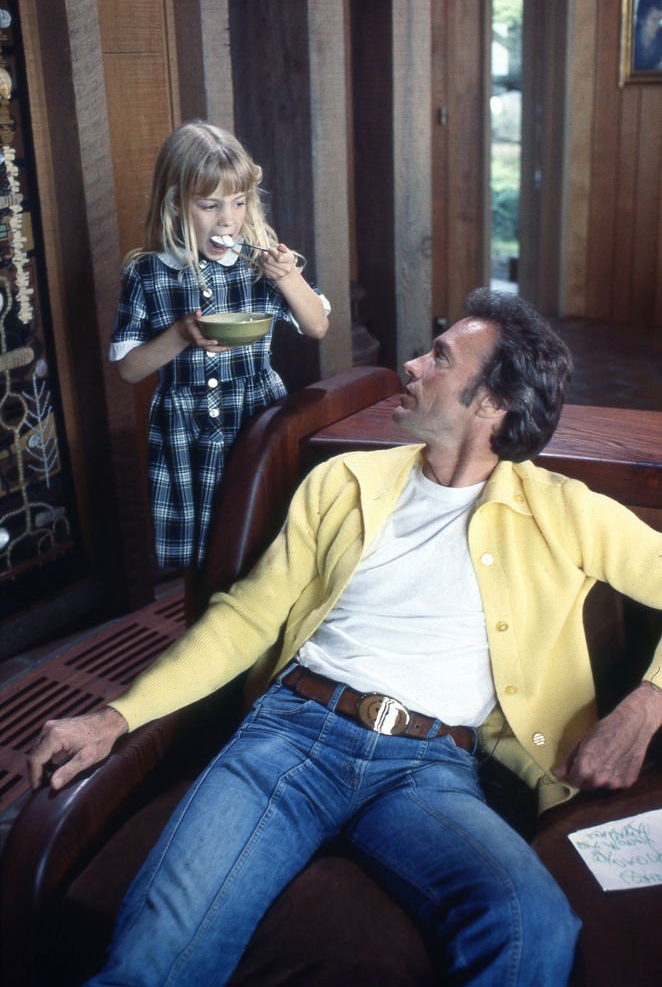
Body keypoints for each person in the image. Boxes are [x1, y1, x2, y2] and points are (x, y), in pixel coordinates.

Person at [30, 289, 662, 986]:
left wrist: (645, 703)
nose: (412, 365)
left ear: (490, 403)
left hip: (431, 770)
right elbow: (246, 617)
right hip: (288, 740)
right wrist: (115, 715)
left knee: (532, 923)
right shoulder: (343, 481)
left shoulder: (565, 512)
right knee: (154, 958)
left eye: (441, 358)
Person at [109, 119, 329, 569]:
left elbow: (316, 327)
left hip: (256, 415)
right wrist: (181, 334)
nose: (228, 218)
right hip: (183, 426)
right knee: (202, 553)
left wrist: (289, 278)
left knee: (263, 537)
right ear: (174, 204)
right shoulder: (148, 273)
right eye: (209, 205)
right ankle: (204, 626)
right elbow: (129, 370)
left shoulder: (260, 264)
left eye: (239, 202)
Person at [633, 0, 662, 71]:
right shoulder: (630, 39)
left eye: (659, 20)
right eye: (654, 20)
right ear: (642, 19)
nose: (658, 25)